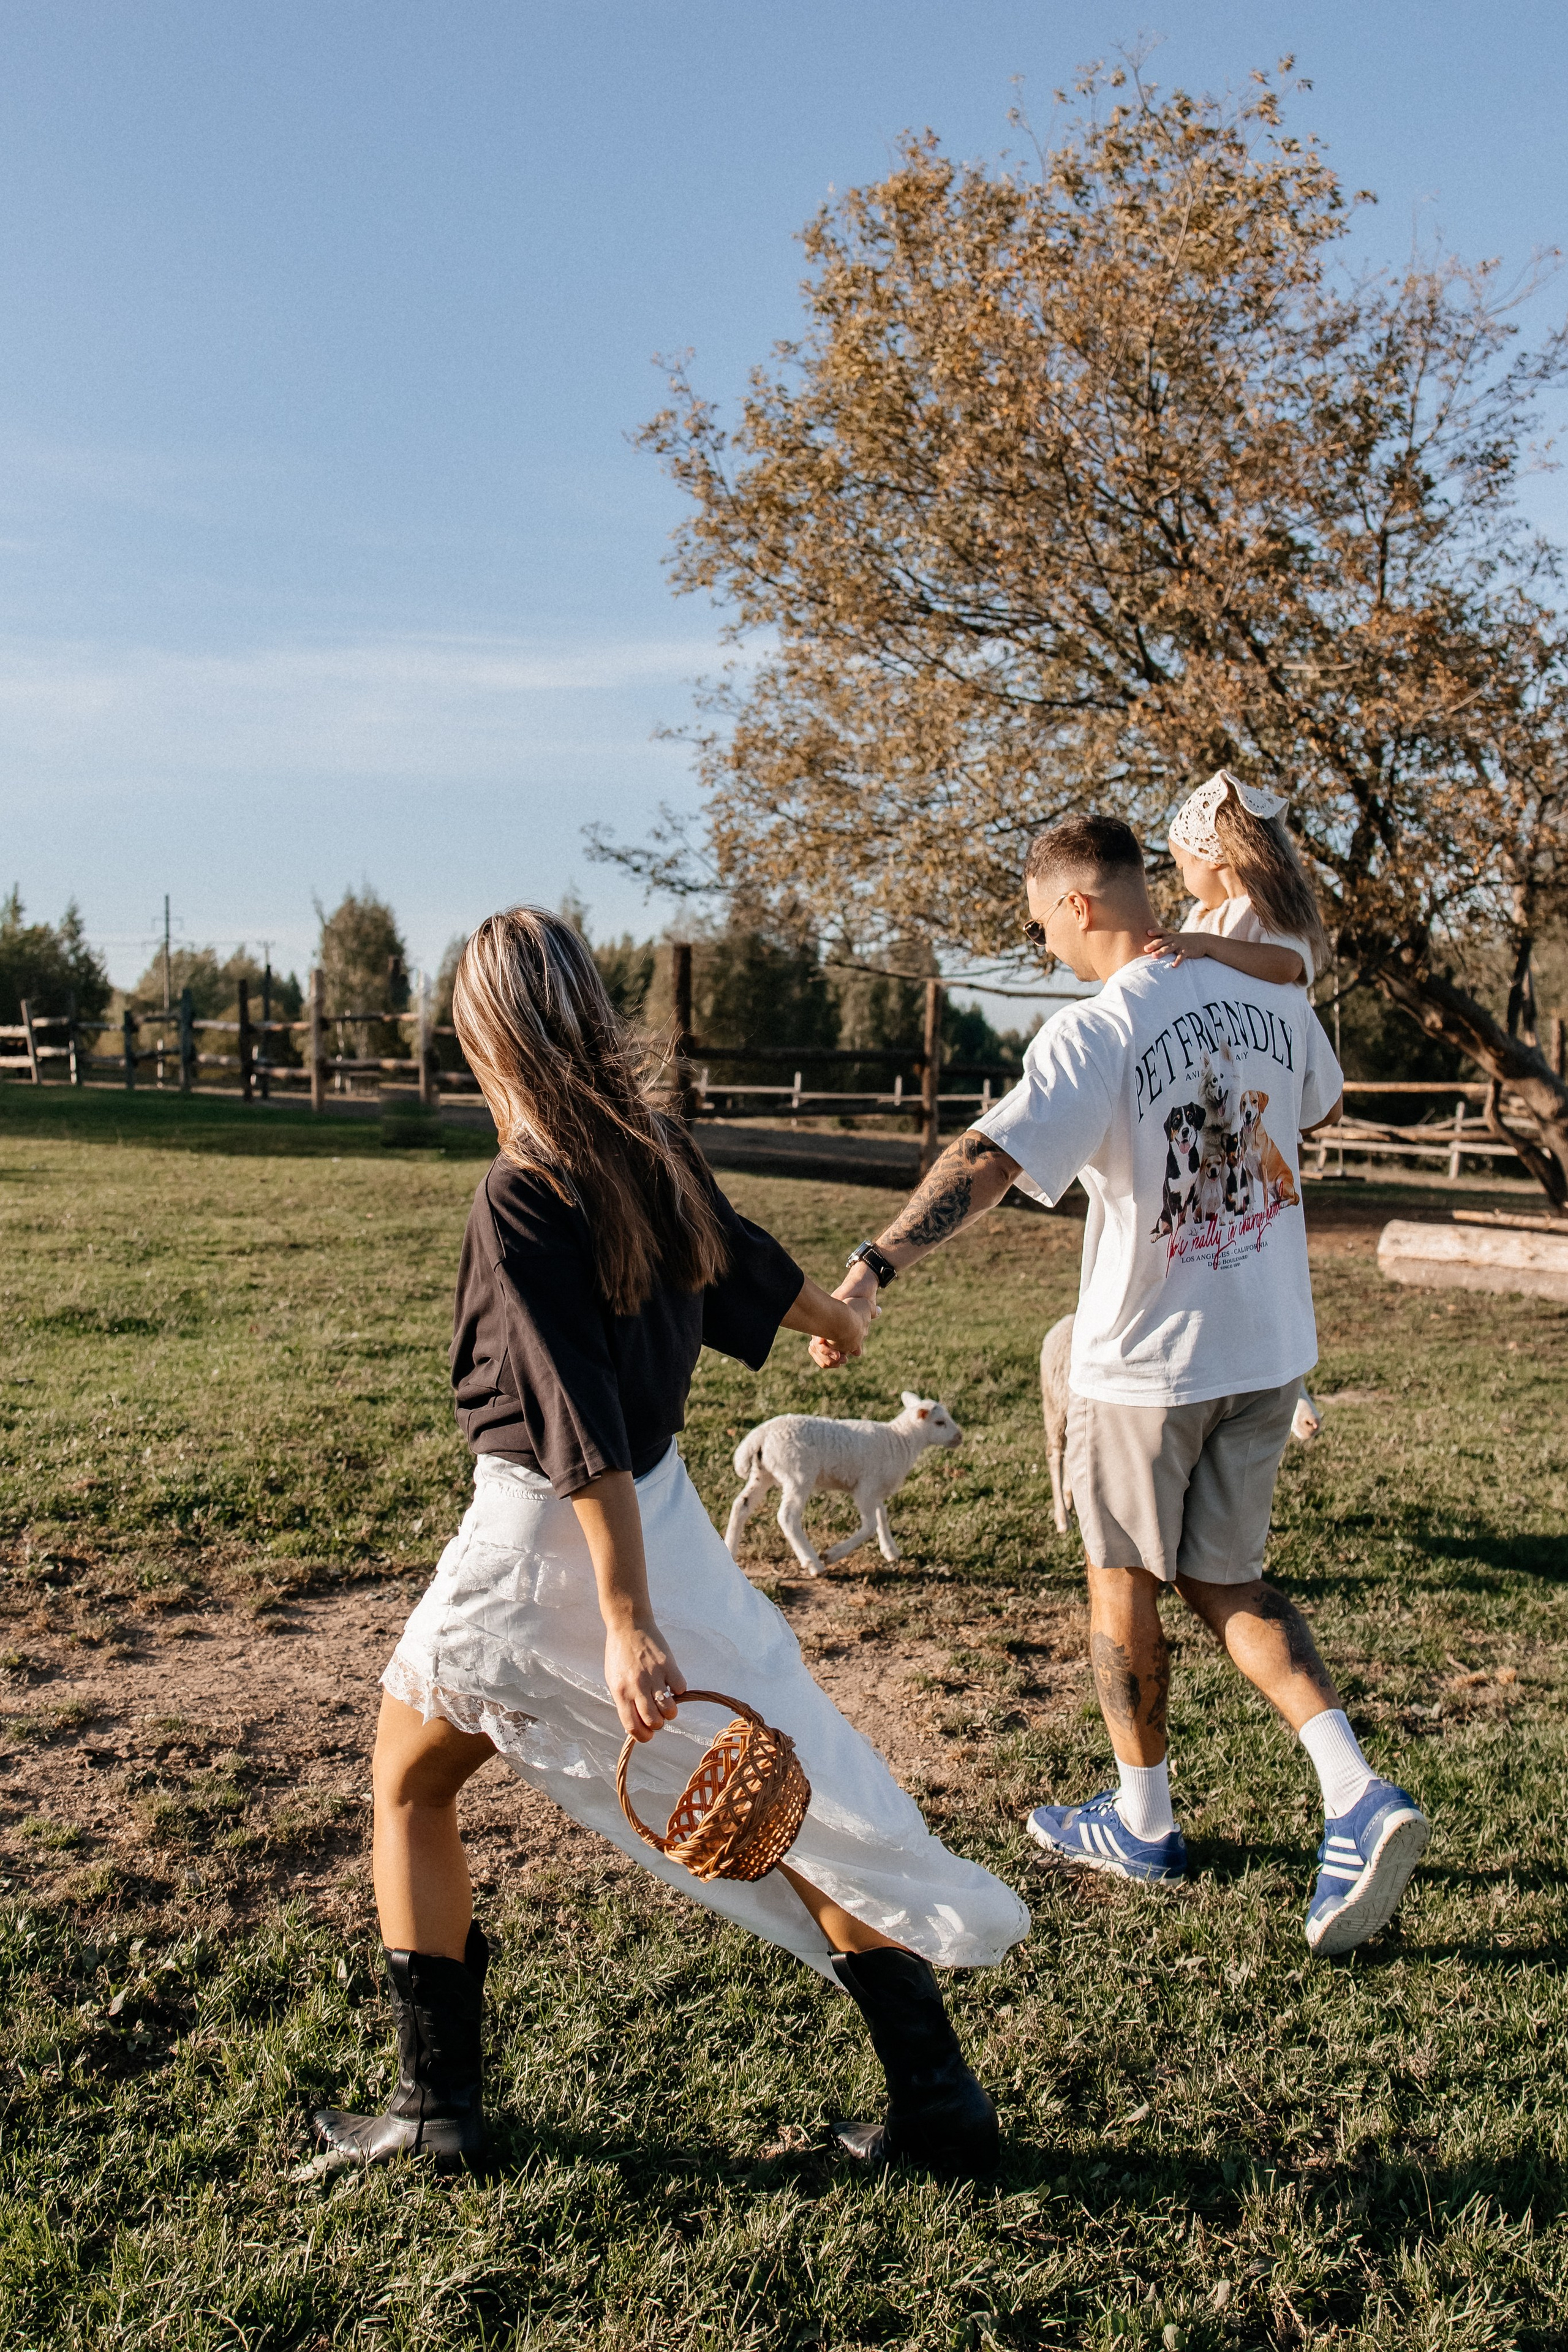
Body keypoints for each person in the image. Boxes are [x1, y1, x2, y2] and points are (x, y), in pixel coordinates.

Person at [311, 907, 1028, 2177]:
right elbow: (740, 1263)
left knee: (407, 1785)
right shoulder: (647, 1149)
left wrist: (625, 1618)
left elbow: (567, 1412)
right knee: (790, 1795)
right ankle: (938, 2101)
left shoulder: (524, 1188)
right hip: (663, 1512)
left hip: (552, 1531)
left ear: (484, 1029)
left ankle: (434, 2116)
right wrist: (833, 1319)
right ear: (586, 1011)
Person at [815, 813, 1428, 1958]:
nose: (1044, 943)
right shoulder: (1271, 994)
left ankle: (1145, 1824)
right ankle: (1354, 1792)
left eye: (1043, 921)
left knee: (1122, 1586)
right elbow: (1322, 1107)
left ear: (1081, 906)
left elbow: (988, 1159)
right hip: (1266, 1348)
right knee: (1229, 1581)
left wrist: (875, 1262)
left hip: (1147, 1364)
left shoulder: (1097, 1028)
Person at [1146, 768, 1331, 991]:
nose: (1182, 878)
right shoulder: (1201, 915)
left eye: (1183, 866)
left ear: (1210, 858)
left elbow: (1288, 965)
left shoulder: (1266, 907)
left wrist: (1207, 944)